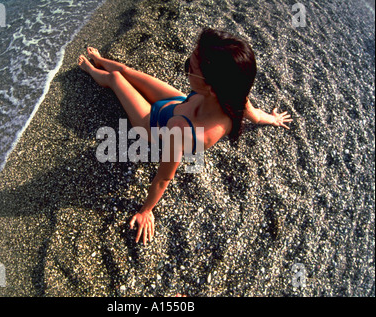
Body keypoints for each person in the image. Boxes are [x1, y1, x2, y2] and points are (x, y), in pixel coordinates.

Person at [78, 28, 292, 245]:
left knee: (116, 78)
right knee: (126, 70)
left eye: (191, 66)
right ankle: (99, 60)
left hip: (152, 123)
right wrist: (273, 119)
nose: (187, 65)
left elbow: (164, 178)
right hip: (181, 103)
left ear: (210, 85)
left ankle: (90, 70)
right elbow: (255, 117)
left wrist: (146, 210)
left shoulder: (183, 130)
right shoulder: (234, 96)